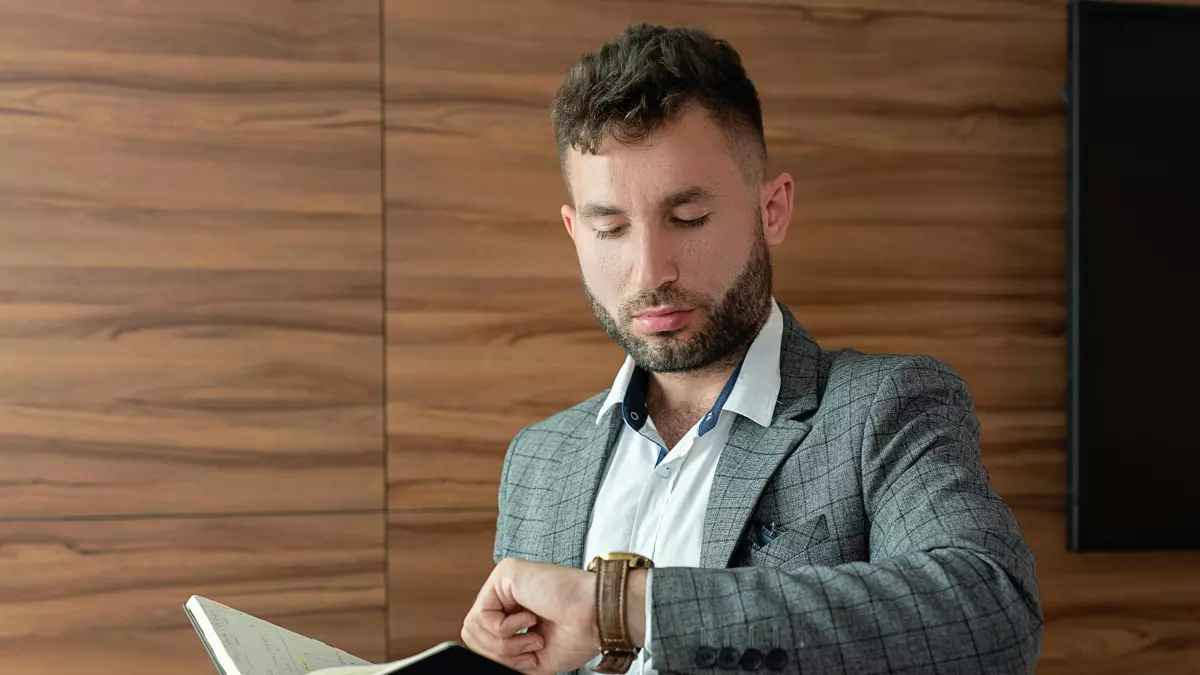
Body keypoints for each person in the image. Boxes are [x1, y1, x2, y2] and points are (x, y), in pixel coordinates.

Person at [460, 23, 1043, 675]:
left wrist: (623, 605)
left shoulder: (884, 409)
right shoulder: (538, 461)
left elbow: (989, 614)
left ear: (773, 210)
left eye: (688, 219)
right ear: (575, 232)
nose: (651, 270)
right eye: (611, 227)